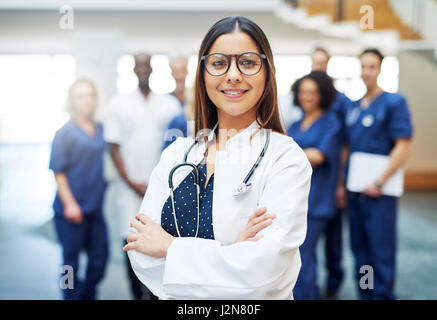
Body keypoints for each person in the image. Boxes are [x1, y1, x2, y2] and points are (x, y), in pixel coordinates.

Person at [123, 16, 312, 300]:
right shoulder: (178, 153)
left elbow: (264, 273)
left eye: (247, 62)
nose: (233, 74)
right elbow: (141, 252)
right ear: (202, 74)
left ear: (266, 73)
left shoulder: (285, 158)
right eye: (219, 63)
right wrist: (231, 253)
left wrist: (169, 248)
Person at [104, 53, 180, 300]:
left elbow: (177, 146)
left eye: (147, 65)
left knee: (160, 238)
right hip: (130, 188)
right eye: (139, 66)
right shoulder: (118, 103)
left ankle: (156, 294)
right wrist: (131, 182)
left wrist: (157, 183)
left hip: (163, 187)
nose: (143, 70)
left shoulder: (169, 105)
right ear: (134, 70)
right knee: (131, 239)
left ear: (153, 69)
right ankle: (136, 294)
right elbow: (113, 147)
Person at [342, 48, 413, 299]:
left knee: (380, 249)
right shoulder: (354, 107)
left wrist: (380, 181)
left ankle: (382, 294)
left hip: (379, 193)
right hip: (356, 191)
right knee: (360, 249)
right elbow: (347, 147)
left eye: (371, 67)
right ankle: (366, 293)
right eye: (363, 67)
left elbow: (403, 146)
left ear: (380, 69)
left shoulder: (394, 103)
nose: (366, 72)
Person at [49, 79, 109, 300]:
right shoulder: (64, 133)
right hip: (70, 210)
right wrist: (70, 204)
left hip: (94, 208)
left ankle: (86, 295)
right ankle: (69, 296)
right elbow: (58, 171)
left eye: (89, 95)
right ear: (72, 101)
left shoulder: (101, 128)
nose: (86, 100)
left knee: (100, 258)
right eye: (80, 96)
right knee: (70, 263)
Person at [288, 71, 342, 300]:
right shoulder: (295, 124)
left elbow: (319, 155)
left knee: (304, 255)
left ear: (322, 95)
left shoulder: (331, 122)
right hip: (295, 198)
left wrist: (286, 155)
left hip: (318, 200)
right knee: (298, 256)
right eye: (303, 92)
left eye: (312, 92)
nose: (306, 97)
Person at [310, 46, 353, 299]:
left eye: (322, 63)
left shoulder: (341, 103)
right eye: (315, 63)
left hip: (332, 178)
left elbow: (345, 144)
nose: (319, 67)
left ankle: (334, 285)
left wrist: (341, 183)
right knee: (307, 240)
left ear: (328, 64)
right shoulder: (306, 96)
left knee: (334, 241)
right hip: (313, 184)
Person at [162, 56, 191, 150]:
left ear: (187, 72)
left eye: (182, 71)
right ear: (171, 74)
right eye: (176, 72)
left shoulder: (195, 100)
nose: (179, 76)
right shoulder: (165, 101)